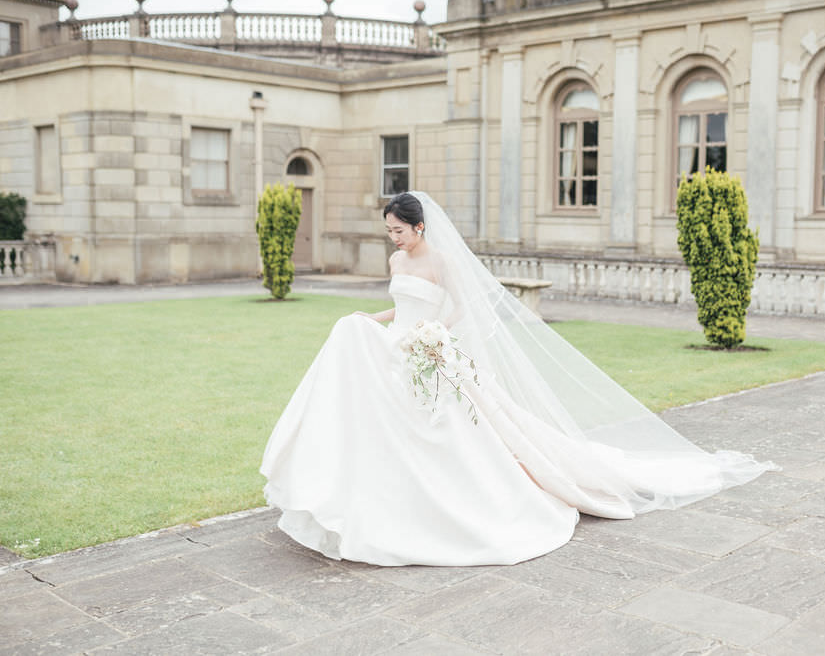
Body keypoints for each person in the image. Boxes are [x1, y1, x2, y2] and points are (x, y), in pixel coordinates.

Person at [260, 191, 775, 566]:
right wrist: (369, 322)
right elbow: (398, 307)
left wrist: (434, 338)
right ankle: (366, 502)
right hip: (400, 348)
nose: (392, 238)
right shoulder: (397, 259)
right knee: (363, 383)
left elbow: (464, 309)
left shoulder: (441, 262)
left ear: (419, 227)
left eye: (398, 229)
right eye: (389, 231)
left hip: (431, 350)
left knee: (465, 434)